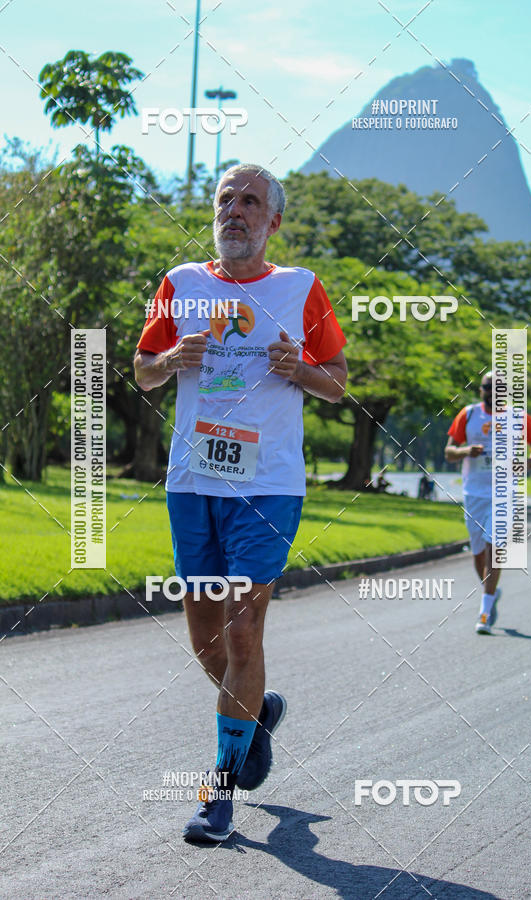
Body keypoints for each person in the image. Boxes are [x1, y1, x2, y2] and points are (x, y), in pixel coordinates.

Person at [134, 164, 347, 841]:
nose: (236, 211)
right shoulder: (180, 284)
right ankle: (257, 716)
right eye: (227, 200)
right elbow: (141, 372)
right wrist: (171, 359)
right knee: (205, 640)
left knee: (244, 630)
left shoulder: (302, 289)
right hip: (193, 483)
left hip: (268, 484)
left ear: (273, 222)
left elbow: (338, 384)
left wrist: (302, 369)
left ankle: (219, 793)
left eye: (251, 202)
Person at [444, 371, 531, 634]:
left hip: (504, 492)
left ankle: (484, 612)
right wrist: (467, 450)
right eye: (488, 387)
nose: (493, 392)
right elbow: (449, 452)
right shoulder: (468, 415)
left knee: (495, 546)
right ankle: (491, 592)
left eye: (499, 388)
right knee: (478, 552)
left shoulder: (519, 418)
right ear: (481, 390)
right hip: (474, 493)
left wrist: (525, 464)